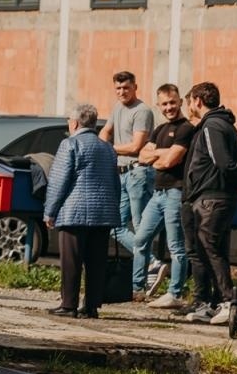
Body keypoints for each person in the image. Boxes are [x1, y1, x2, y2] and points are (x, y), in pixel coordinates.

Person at [179, 81, 237, 325]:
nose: (190, 105)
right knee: (207, 249)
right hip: (210, 197)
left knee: (209, 247)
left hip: (213, 198)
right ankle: (214, 303)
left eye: (190, 101)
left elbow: (223, 161)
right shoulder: (225, 125)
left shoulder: (212, 125)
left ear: (198, 100)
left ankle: (229, 302)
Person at [43, 102, 121, 318]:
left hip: (74, 212)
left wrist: (50, 211)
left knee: (72, 261)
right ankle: (91, 306)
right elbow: (116, 183)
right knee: (96, 262)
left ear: (75, 122)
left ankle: (68, 304)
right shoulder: (107, 148)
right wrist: (113, 209)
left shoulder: (69, 144)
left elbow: (59, 181)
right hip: (103, 214)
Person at [135, 84, 195, 308]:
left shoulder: (186, 128)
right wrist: (163, 154)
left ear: (180, 102)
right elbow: (142, 155)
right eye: (164, 104)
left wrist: (158, 156)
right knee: (140, 239)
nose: (169, 107)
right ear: (158, 105)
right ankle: (137, 288)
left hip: (175, 192)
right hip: (157, 193)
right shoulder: (160, 130)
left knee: (176, 246)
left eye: (173, 102)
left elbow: (172, 161)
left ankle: (175, 294)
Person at [99, 71, 155, 256]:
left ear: (135, 87)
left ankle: (149, 266)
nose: (122, 92)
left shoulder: (142, 111)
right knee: (115, 226)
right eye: (118, 88)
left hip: (138, 173)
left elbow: (136, 146)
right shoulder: (118, 107)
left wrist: (109, 149)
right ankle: (151, 262)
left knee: (140, 226)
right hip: (121, 173)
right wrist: (101, 143)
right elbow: (106, 131)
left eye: (126, 88)